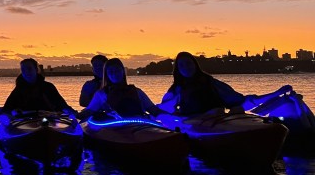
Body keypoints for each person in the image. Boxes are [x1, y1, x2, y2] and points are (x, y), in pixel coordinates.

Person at [159, 51, 292, 116]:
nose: (186, 67)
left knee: (237, 109)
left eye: (188, 63)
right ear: (177, 69)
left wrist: (276, 93)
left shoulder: (211, 83)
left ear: (195, 65)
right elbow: (164, 109)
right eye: (181, 65)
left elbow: (243, 101)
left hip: (218, 119)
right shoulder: (177, 90)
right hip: (195, 123)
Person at [78, 58, 160, 120]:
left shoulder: (137, 92)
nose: (114, 74)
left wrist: (169, 117)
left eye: (117, 70)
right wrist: (76, 115)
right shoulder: (102, 94)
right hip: (115, 128)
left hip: (139, 126)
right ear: (106, 74)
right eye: (111, 71)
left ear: (123, 71)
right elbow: (89, 111)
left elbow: (153, 110)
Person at [3, 58, 74, 116]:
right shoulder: (18, 90)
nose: (26, 72)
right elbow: (7, 109)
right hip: (25, 123)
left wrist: (73, 113)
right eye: (23, 70)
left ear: (36, 70)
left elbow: (62, 105)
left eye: (29, 69)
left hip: (49, 121)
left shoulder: (48, 87)